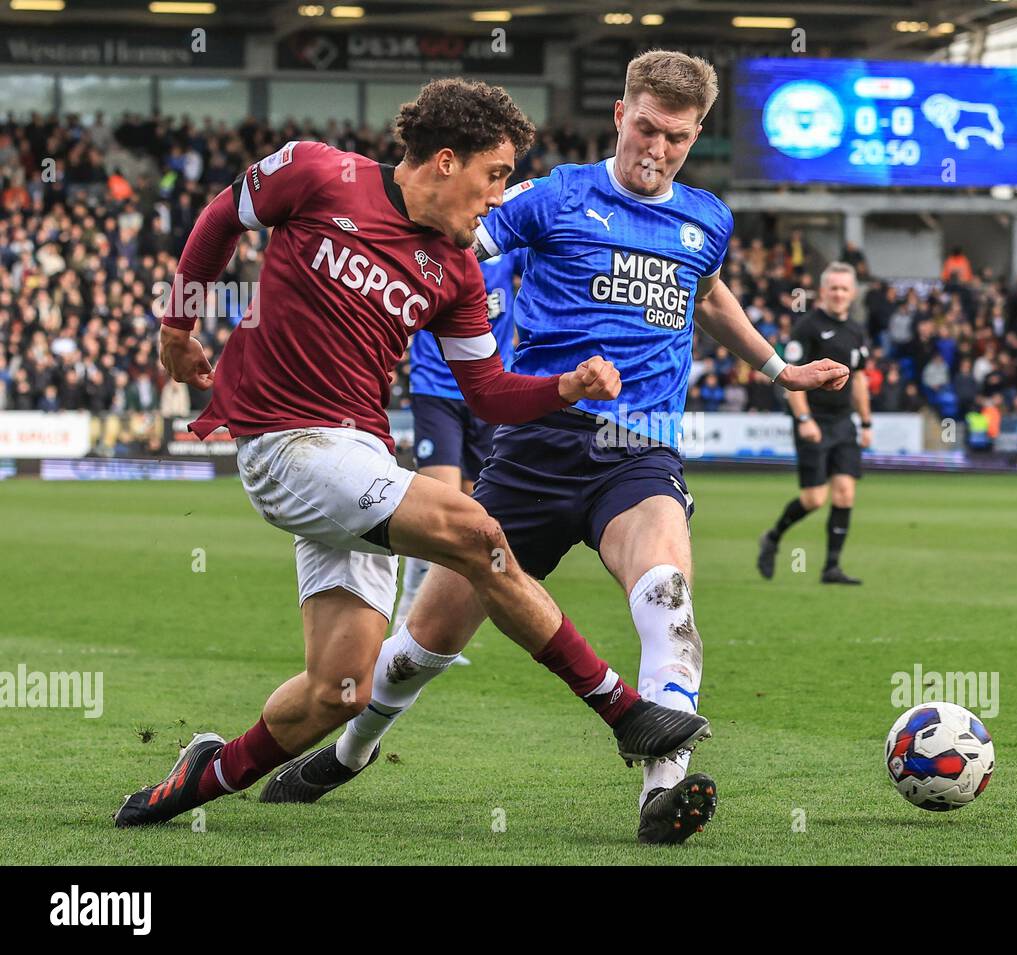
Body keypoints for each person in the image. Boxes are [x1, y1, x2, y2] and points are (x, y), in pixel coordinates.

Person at [264, 51, 849, 844]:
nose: (657, 148)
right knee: (420, 646)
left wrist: (780, 368)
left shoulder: (707, 218)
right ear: (619, 114)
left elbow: (708, 293)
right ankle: (350, 750)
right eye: (646, 127)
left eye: (677, 137)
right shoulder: (556, 195)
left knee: (668, 599)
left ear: (696, 134)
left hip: (637, 450)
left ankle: (662, 789)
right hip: (533, 447)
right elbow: (459, 241)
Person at [114, 78, 708, 829]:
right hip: (285, 443)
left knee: (339, 691)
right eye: (495, 176)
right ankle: (624, 710)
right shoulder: (317, 172)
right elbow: (219, 217)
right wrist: (178, 326)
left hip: (359, 451)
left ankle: (197, 780)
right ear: (446, 162)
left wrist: (564, 386)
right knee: (478, 533)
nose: (499, 197)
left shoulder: (457, 274)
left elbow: (488, 391)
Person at [394, 247, 527, 665]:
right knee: (439, 510)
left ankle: (437, 632)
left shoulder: (508, 251)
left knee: (473, 518)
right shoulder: (432, 249)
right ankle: (406, 623)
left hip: (488, 391)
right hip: (436, 389)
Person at [757, 262, 870, 585]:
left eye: (844, 288)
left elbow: (859, 380)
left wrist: (866, 421)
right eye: (833, 288)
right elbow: (790, 377)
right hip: (814, 419)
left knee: (845, 493)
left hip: (843, 420)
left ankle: (831, 567)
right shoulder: (807, 326)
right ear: (823, 291)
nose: (838, 294)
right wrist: (804, 418)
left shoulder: (856, 331)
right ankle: (773, 537)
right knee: (814, 499)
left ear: (852, 294)